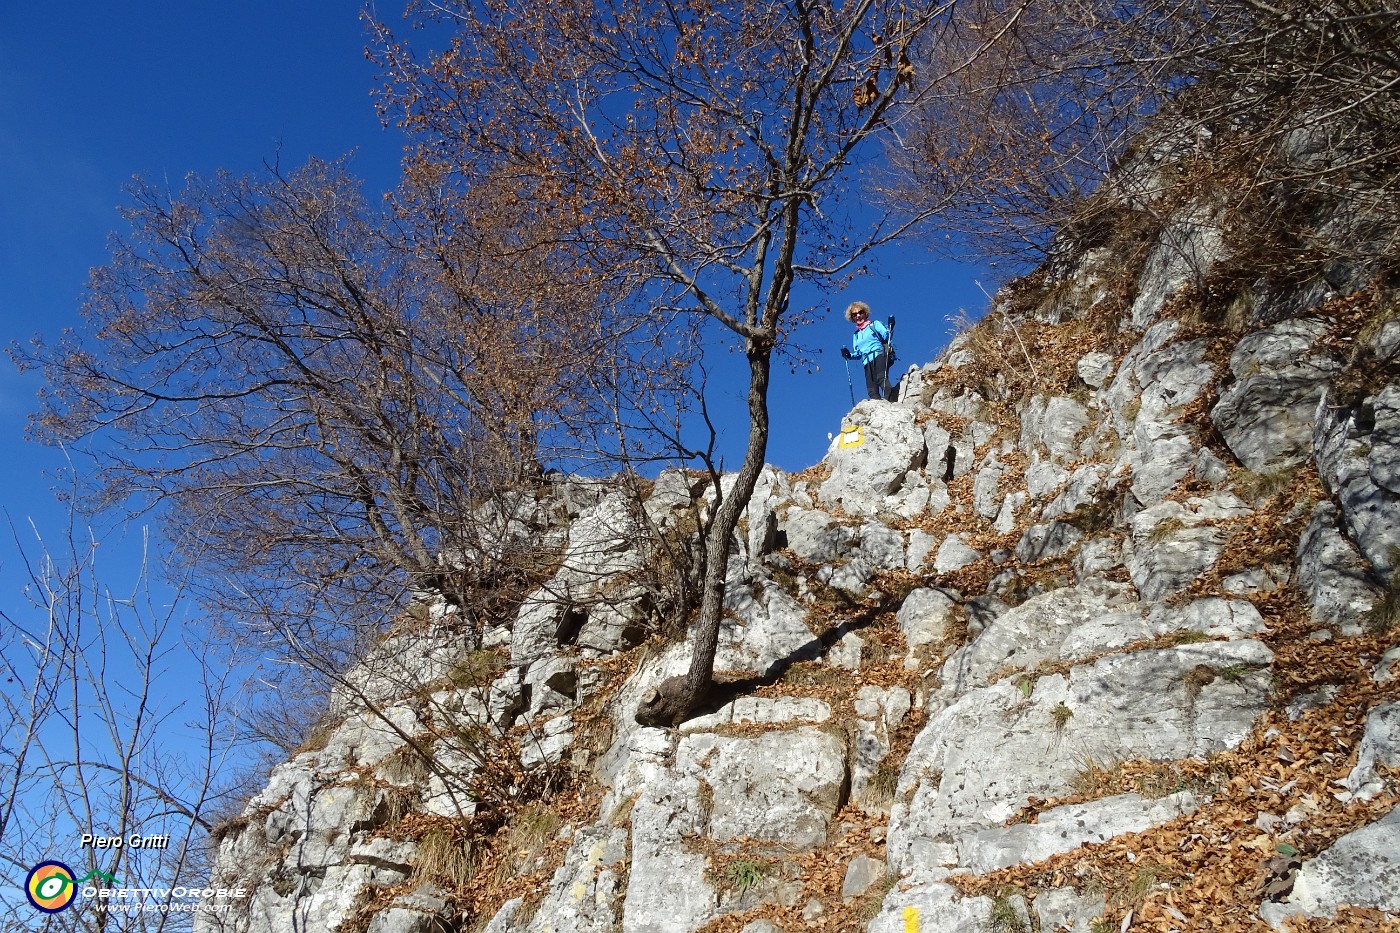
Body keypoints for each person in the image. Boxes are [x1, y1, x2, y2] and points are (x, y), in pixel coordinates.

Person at [840, 301, 897, 401]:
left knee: (881, 378)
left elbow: (887, 335)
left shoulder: (874, 324)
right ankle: (878, 408)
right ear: (852, 318)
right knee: (871, 388)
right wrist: (848, 355)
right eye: (854, 314)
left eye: (860, 312)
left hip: (879, 355)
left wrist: (890, 326)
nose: (858, 316)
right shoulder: (856, 335)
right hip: (866, 361)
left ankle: (892, 402)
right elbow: (858, 353)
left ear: (865, 313)